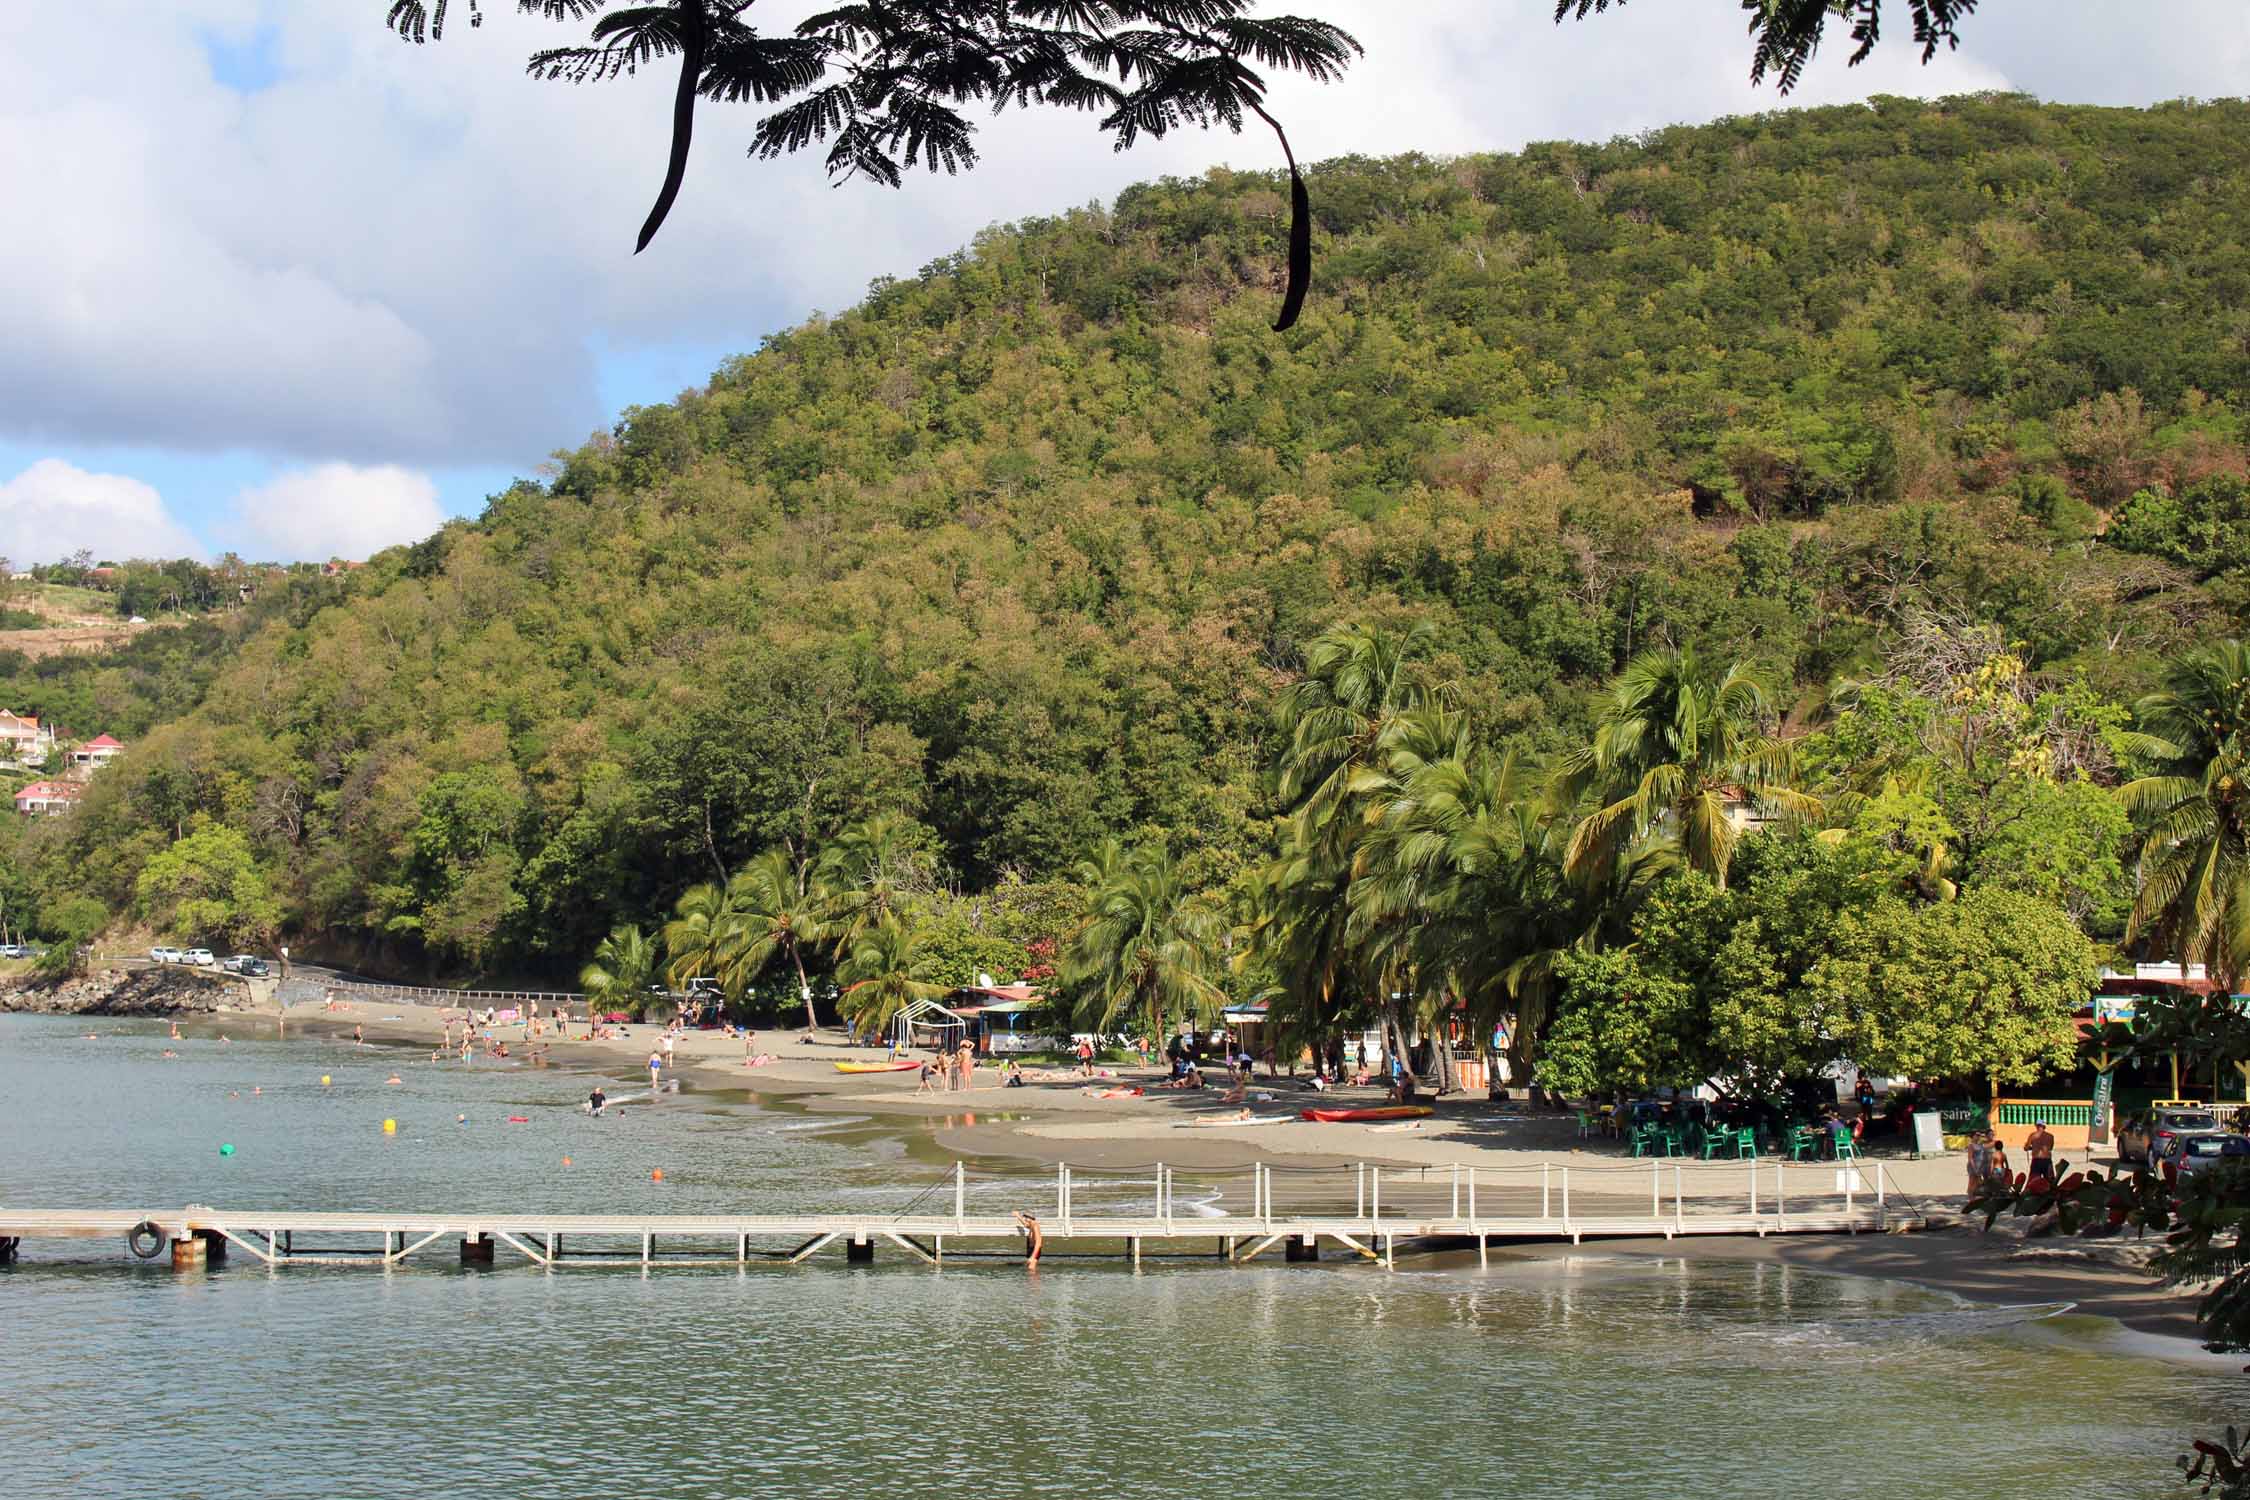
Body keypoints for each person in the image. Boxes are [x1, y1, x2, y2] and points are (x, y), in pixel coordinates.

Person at [2025, 1119, 2056, 1183]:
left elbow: (2026, 1148)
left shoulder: (2033, 1135)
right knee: (2049, 1181)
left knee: (2034, 1181)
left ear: (2036, 1126)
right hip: (2047, 1160)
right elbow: (2050, 1148)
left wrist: (2031, 1147)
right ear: (2044, 1126)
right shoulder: (2050, 1136)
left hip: (2036, 1161)